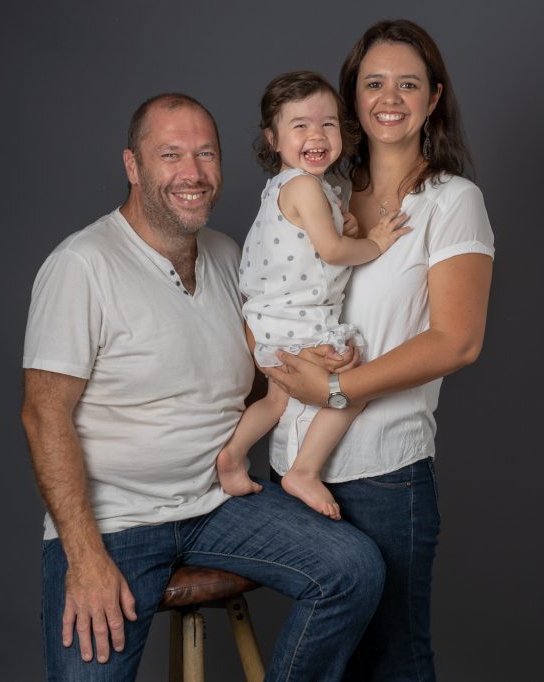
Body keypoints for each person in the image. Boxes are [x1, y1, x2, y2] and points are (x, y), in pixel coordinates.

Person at [20, 92, 385, 681]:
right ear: (132, 166)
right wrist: (84, 556)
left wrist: (323, 363)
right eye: (170, 155)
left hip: (219, 503)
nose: (192, 173)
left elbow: (266, 368)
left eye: (205, 154)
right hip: (115, 523)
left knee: (354, 568)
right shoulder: (81, 265)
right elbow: (43, 416)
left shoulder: (227, 255)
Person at [262, 20, 496, 681]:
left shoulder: (452, 203)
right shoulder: (323, 194)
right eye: (373, 83)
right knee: (328, 660)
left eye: (408, 83)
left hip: (384, 475)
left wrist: (335, 390)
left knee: (391, 660)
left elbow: (458, 339)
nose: (389, 97)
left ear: (434, 98)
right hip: (292, 471)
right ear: (351, 97)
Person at [215, 71, 409, 520]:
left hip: (269, 320)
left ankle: (232, 455)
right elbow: (333, 251)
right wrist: (376, 242)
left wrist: (349, 225)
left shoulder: (288, 186)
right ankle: (304, 470)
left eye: (328, 124)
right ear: (273, 138)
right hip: (298, 319)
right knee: (355, 386)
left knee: (277, 400)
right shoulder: (305, 186)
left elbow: (312, 241)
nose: (316, 135)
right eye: (299, 125)